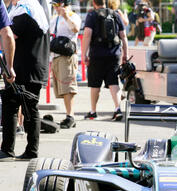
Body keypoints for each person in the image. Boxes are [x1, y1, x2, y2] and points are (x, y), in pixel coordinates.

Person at [0, 0, 48, 162]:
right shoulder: (38, 10)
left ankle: (7, 149)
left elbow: (10, 36)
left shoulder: (23, 11)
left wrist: (9, 65)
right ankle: (32, 149)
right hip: (36, 66)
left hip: (21, 67)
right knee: (32, 109)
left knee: (10, 106)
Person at [82, 0, 128, 121]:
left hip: (97, 55)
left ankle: (93, 111)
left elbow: (87, 34)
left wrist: (84, 54)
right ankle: (118, 109)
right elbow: (123, 36)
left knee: (95, 84)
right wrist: (125, 55)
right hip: (114, 54)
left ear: (93, 2)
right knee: (114, 82)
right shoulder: (115, 14)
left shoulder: (92, 15)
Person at [49, 0, 81, 129]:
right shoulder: (54, 19)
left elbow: (75, 29)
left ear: (64, 4)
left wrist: (66, 16)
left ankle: (70, 116)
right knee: (62, 89)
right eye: (54, 5)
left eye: (57, 5)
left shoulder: (73, 16)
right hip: (56, 55)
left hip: (67, 56)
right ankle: (69, 115)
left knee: (68, 87)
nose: (55, 8)